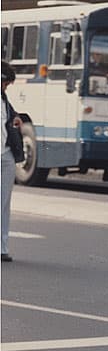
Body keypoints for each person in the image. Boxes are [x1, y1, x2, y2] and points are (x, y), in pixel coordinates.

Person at [1, 61, 24, 263]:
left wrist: (15, 118)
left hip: (6, 154)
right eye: (5, 82)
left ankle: (2, 247)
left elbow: (10, 114)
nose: (6, 86)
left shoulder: (3, 99)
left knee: (5, 201)